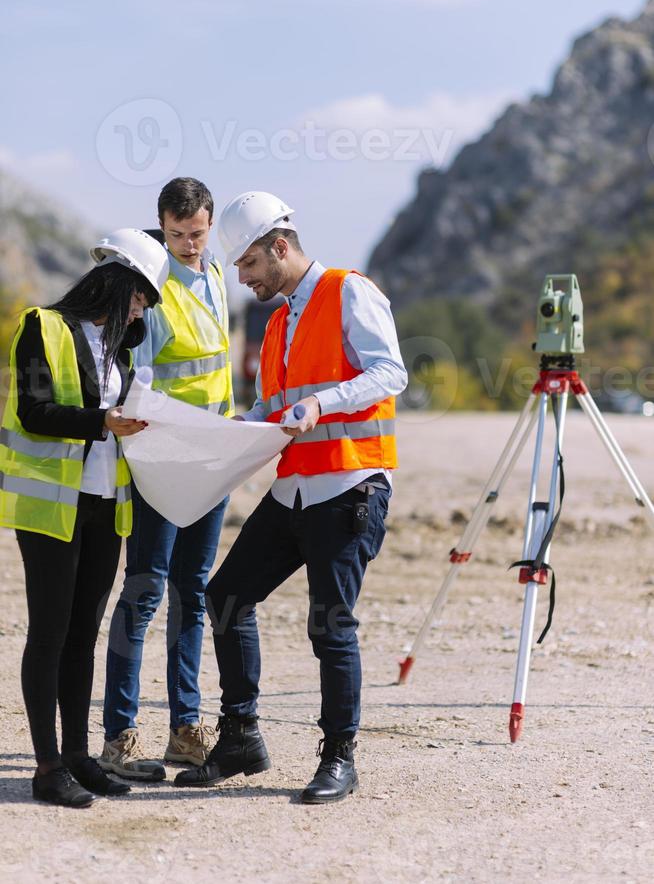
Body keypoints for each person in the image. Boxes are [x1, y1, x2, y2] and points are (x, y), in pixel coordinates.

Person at [175, 191, 407, 804]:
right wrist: (232, 428)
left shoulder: (349, 291)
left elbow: (390, 372)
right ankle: (242, 736)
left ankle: (339, 757)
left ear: (279, 247)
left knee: (329, 625)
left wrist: (322, 404)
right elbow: (277, 408)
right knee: (225, 597)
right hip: (295, 489)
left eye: (248, 265)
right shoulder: (278, 320)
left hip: (350, 485)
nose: (243, 279)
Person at [0, 228, 168, 808]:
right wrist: (104, 422)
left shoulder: (118, 349)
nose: (143, 309)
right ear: (119, 283)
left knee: (82, 636)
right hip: (52, 506)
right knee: (48, 634)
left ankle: (77, 757)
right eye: (143, 297)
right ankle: (46, 768)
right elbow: (35, 410)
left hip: (102, 507)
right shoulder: (41, 327)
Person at [101, 178, 234, 781]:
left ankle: (186, 731)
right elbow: (141, 383)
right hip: (164, 458)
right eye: (177, 233)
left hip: (214, 459)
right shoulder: (151, 285)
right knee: (145, 590)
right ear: (160, 224)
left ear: (210, 226)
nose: (187, 244)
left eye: (197, 233)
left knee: (193, 595)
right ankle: (119, 736)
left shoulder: (217, 275)